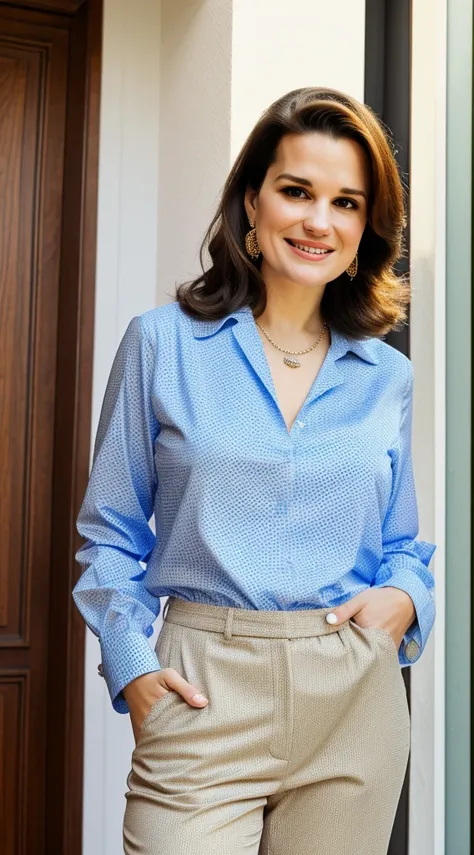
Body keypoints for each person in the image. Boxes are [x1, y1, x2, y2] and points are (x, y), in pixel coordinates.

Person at [73, 87, 436, 855]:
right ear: (252, 199)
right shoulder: (160, 344)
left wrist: (407, 596)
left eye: (346, 202)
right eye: (296, 191)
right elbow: (107, 532)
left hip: (352, 701)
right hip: (204, 686)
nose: (317, 220)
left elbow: (402, 541)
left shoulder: (385, 377)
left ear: (366, 227)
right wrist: (135, 667)